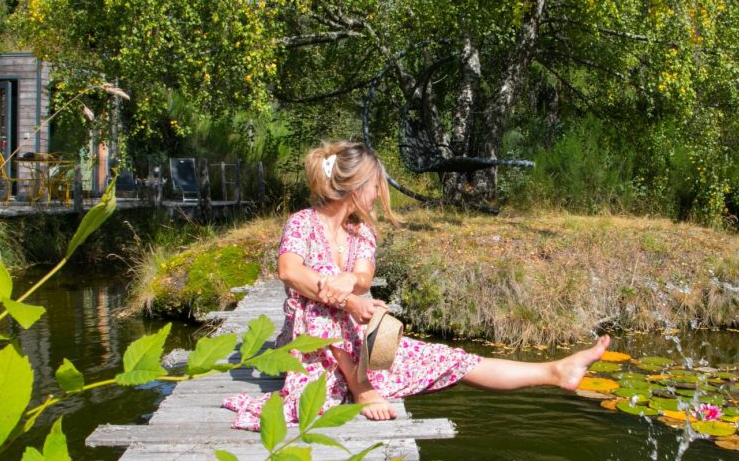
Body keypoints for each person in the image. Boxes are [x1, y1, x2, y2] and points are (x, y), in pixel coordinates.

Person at [223, 141, 610, 430]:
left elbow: (364, 276)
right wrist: (346, 300)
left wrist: (351, 285)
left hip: (359, 346)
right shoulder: (302, 222)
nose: (378, 195)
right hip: (310, 350)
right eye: (376, 187)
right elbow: (289, 271)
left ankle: (555, 371)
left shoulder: (361, 233)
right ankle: (361, 387)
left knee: (455, 360)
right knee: (318, 300)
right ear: (357, 187)